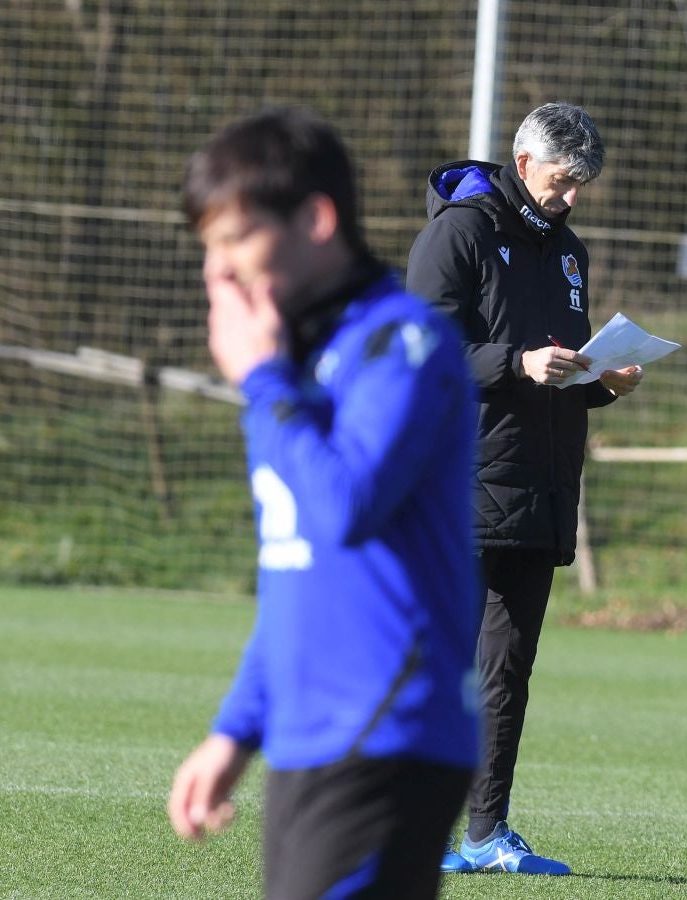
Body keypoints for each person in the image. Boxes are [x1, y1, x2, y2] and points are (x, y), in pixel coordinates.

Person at [166, 107, 481, 900]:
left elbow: (348, 508)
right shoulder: (294, 367)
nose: (218, 272)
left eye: (237, 239)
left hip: (390, 729)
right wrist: (235, 731)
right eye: (207, 247)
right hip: (309, 740)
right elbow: (296, 575)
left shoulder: (401, 343)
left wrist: (263, 383)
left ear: (315, 219)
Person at [406, 101, 642, 876]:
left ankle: (484, 834)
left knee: (505, 673)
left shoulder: (569, 253)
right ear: (524, 162)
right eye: (563, 180)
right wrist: (514, 362)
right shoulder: (460, 233)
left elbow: (558, 373)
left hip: (539, 490)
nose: (571, 197)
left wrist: (602, 383)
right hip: (459, 484)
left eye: (582, 185)